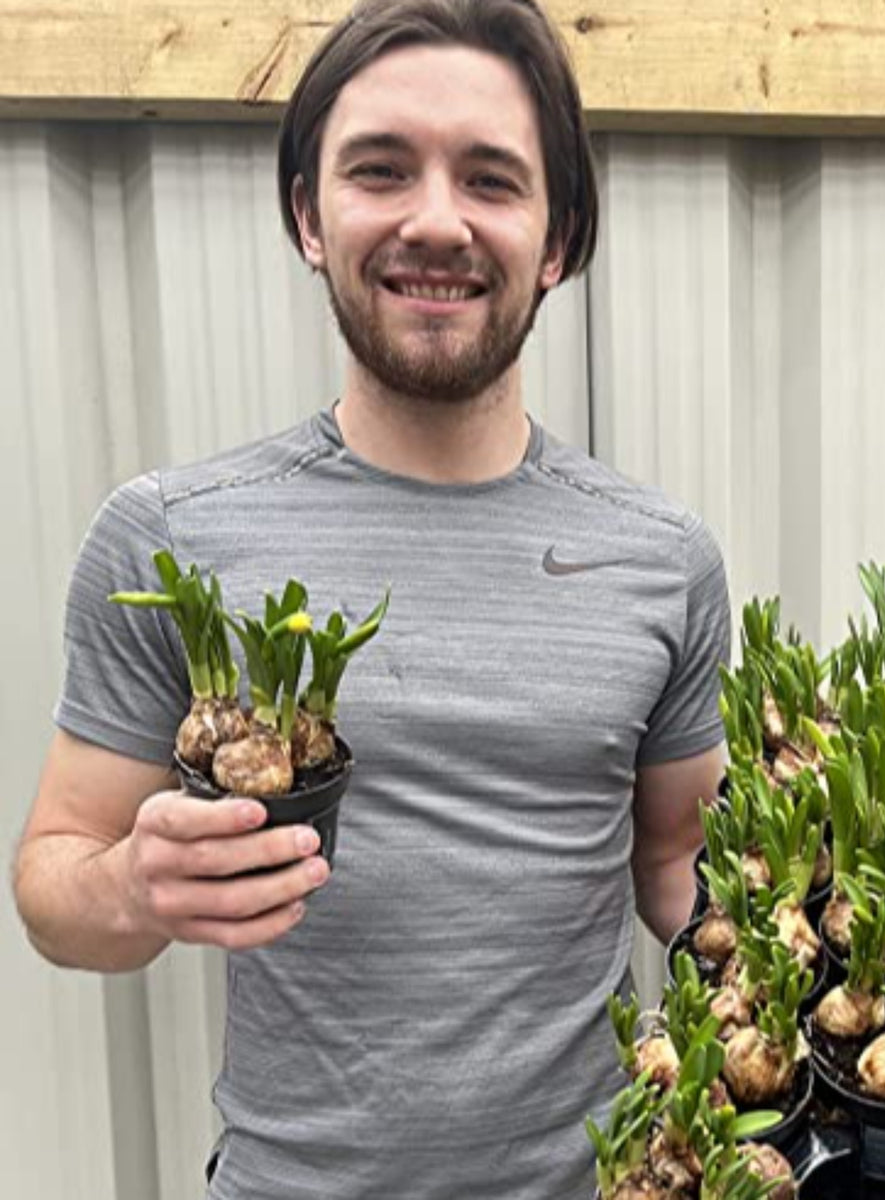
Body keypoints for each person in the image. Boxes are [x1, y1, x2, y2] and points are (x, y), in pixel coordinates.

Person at [12, 0, 730, 1196]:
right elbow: (54, 882)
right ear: (310, 216)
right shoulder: (172, 538)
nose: (436, 220)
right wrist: (134, 887)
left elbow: (675, 861)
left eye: (491, 179)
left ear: (558, 239)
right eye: (381, 170)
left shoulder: (663, 558)